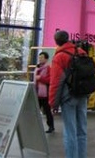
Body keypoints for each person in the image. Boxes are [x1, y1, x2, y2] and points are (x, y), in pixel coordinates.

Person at [49, 30, 88, 158]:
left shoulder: (59, 56)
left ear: (57, 42)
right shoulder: (82, 52)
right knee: (82, 130)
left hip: (68, 97)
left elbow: (56, 82)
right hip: (82, 95)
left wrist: (53, 103)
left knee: (70, 131)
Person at [34, 51, 55, 133]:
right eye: (39, 57)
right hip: (37, 92)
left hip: (45, 94)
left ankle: (51, 126)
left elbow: (50, 80)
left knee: (47, 111)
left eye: (42, 57)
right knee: (35, 111)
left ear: (46, 59)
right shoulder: (37, 68)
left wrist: (40, 78)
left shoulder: (49, 68)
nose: (40, 59)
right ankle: (34, 126)